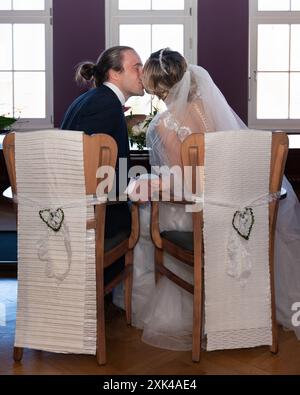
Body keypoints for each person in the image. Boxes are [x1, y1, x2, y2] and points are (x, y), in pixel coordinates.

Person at [113, 48, 300, 350]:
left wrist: (150, 184)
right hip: (236, 210)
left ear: (156, 85)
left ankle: (171, 305)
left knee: (145, 216)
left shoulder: (164, 124)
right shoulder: (210, 108)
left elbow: (185, 182)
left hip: (200, 215)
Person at [61, 46, 144, 285]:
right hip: (96, 220)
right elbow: (88, 171)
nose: (143, 72)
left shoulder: (96, 100)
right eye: (136, 67)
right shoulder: (104, 105)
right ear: (115, 74)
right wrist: (131, 188)